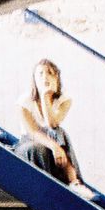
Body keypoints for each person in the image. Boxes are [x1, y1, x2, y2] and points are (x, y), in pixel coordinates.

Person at [19, 58, 84, 187]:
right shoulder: (24, 102)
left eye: (49, 73)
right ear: (34, 79)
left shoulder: (64, 100)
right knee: (39, 148)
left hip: (53, 141)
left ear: (57, 78)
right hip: (27, 143)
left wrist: (45, 97)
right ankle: (67, 182)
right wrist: (55, 147)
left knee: (58, 131)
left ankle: (73, 181)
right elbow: (33, 132)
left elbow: (52, 124)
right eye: (40, 73)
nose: (45, 77)